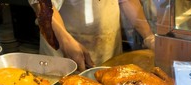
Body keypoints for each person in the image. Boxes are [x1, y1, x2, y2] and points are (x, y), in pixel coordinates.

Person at [28, 0, 156, 71]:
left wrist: (148, 36)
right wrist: (65, 40)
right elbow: (41, 5)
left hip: (108, 52)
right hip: (65, 52)